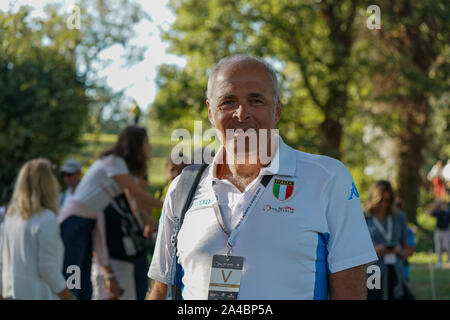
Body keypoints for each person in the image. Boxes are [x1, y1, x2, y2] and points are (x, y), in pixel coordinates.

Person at [147, 55, 377, 300]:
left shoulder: (327, 179)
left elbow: (350, 292)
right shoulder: (183, 188)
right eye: (228, 101)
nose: (241, 113)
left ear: (277, 109)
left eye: (256, 100)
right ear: (211, 112)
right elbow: (161, 290)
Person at [58, 125, 162, 300]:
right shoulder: (115, 162)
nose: (149, 147)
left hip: (85, 221)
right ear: (136, 144)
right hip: (74, 221)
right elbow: (136, 193)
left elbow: (131, 199)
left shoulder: (119, 167)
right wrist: (169, 204)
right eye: (146, 143)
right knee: (72, 275)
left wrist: (146, 219)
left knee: (82, 279)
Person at [0, 159, 73, 300]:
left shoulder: (11, 218)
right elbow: (47, 267)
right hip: (39, 294)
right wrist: (67, 295)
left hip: (12, 294)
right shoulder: (46, 219)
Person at [365, 180, 414, 300]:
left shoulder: (399, 217)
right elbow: (355, 251)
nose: (384, 205)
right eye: (381, 200)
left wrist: (399, 251)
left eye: (388, 200)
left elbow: (409, 249)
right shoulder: (364, 218)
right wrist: (374, 251)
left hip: (396, 272)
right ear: (373, 198)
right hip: (373, 273)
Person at [428, 200, 450, 268]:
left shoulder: (447, 212)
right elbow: (429, 213)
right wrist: (435, 205)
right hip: (438, 231)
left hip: (446, 231)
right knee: (438, 247)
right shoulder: (437, 212)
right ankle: (439, 262)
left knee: (447, 246)